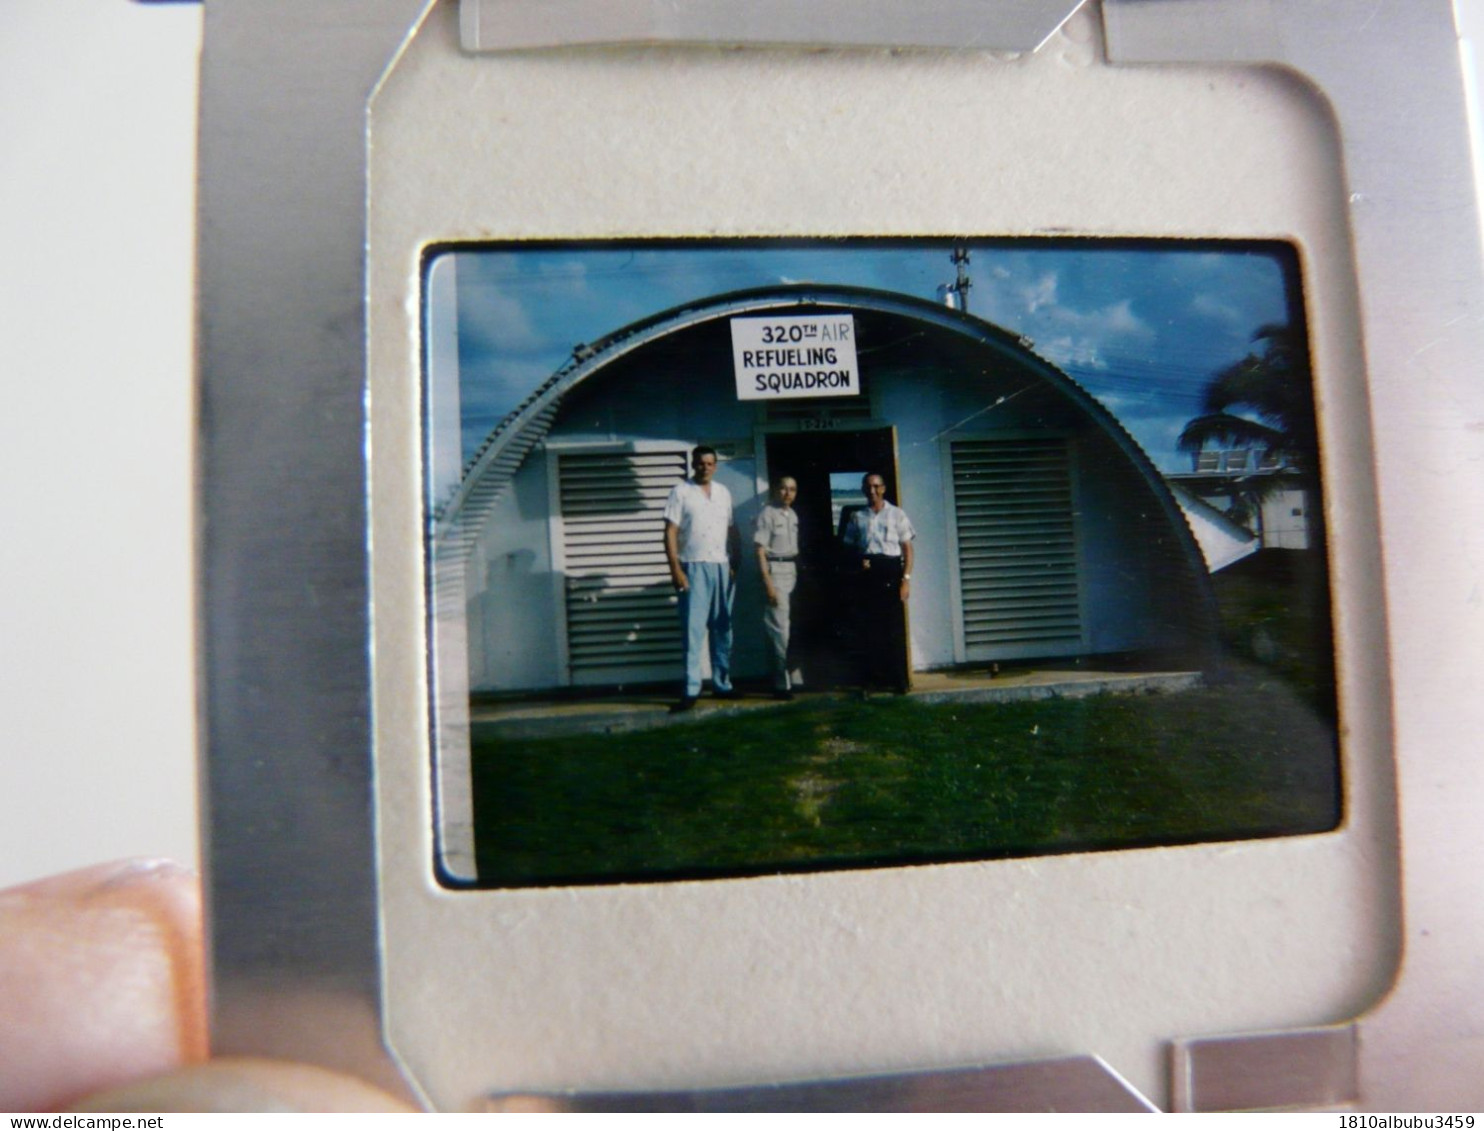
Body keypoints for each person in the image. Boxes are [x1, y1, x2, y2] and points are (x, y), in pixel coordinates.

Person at [663, 445, 740, 712]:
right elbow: (670, 532)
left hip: (721, 565)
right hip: (692, 567)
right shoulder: (680, 491)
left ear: (715, 466)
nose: (705, 467)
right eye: (700, 463)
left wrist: (736, 561)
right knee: (693, 631)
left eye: (710, 463)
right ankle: (691, 689)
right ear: (693, 465)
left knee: (723, 629)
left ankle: (722, 684)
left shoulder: (723, 493)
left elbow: (732, 529)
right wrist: (676, 569)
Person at [841, 472, 916, 694]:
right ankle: (871, 681)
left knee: (892, 629)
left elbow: (908, 550)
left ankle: (898, 680)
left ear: (883, 488)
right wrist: (858, 562)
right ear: (863, 490)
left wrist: (906, 580)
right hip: (867, 575)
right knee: (868, 630)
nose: (872, 491)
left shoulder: (897, 514)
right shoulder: (857, 517)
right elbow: (847, 548)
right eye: (868, 487)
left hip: (891, 572)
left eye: (876, 486)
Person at [754, 475, 801, 700]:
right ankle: (781, 685)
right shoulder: (767, 514)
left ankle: (792, 677)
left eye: (792, 489)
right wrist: (768, 584)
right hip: (775, 571)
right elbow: (760, 550)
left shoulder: (792, 514)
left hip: (791, 570)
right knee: (779, 630)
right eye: (783, 488)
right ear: (775, 490)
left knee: (790, 629)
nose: (787, 493)